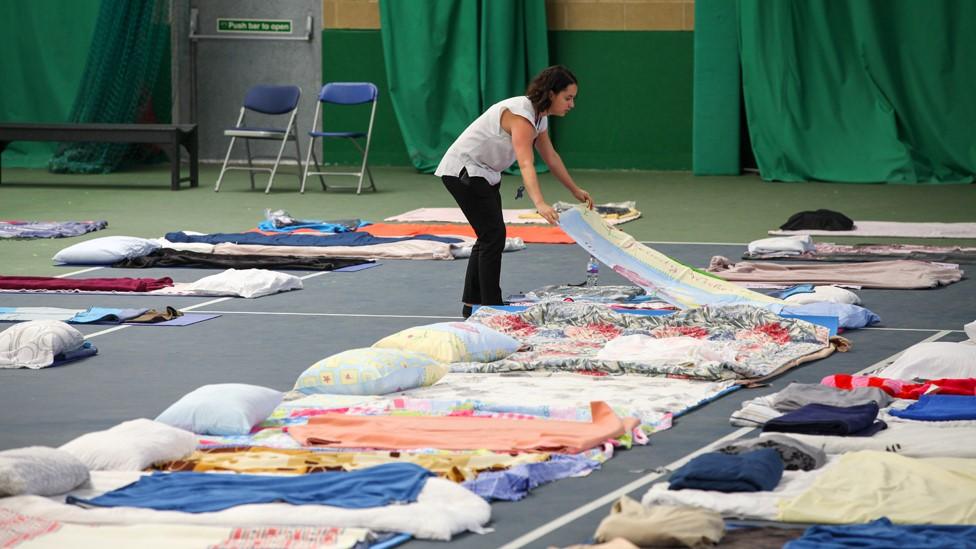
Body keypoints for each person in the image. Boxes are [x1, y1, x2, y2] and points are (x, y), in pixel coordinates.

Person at [436, 65, 594, 318]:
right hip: (464, 171)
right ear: (551, 93)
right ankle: (491, 306)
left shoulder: (538, 118)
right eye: (568, 98)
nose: (571, 104)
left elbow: (551, 157)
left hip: (483, 173)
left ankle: (473, 304)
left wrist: (574, 189)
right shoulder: (520, 114)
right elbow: (526, 162)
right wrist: (540, 203)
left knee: (488, 236)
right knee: (493, 236)